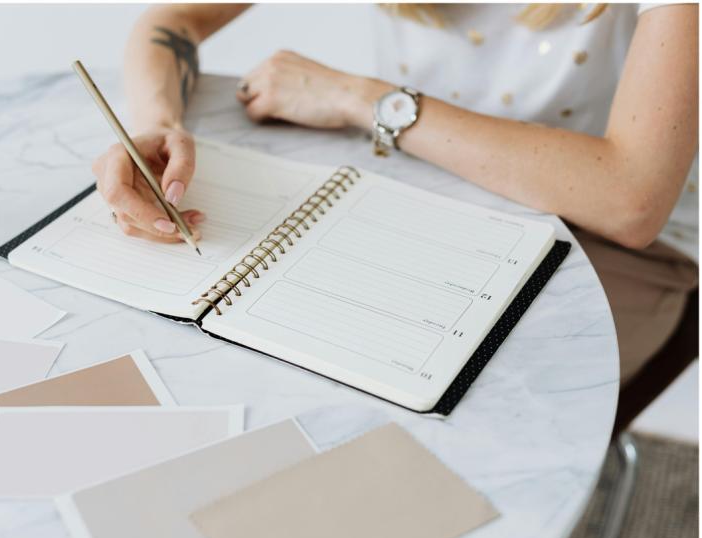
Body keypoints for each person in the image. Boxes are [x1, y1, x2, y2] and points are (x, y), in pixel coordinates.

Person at [91, 3, 698, 385]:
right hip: (442, 198)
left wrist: (360, 98)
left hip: (628, 252)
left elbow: (631, 200)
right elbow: (173, 20)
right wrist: (159, 125)